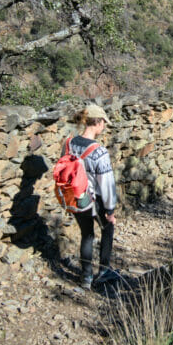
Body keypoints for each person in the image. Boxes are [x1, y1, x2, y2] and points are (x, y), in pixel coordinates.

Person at [66, 104, 118, 289]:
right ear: (97, 122)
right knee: (108, 228)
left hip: (76, 197)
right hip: (94, 199)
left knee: (86, 235)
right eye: (103, 122)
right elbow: (106, 183)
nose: (104, 126)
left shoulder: (70, 144)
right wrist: (110, 209)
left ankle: (86, 277)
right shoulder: (99, 151)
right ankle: (104, 270)